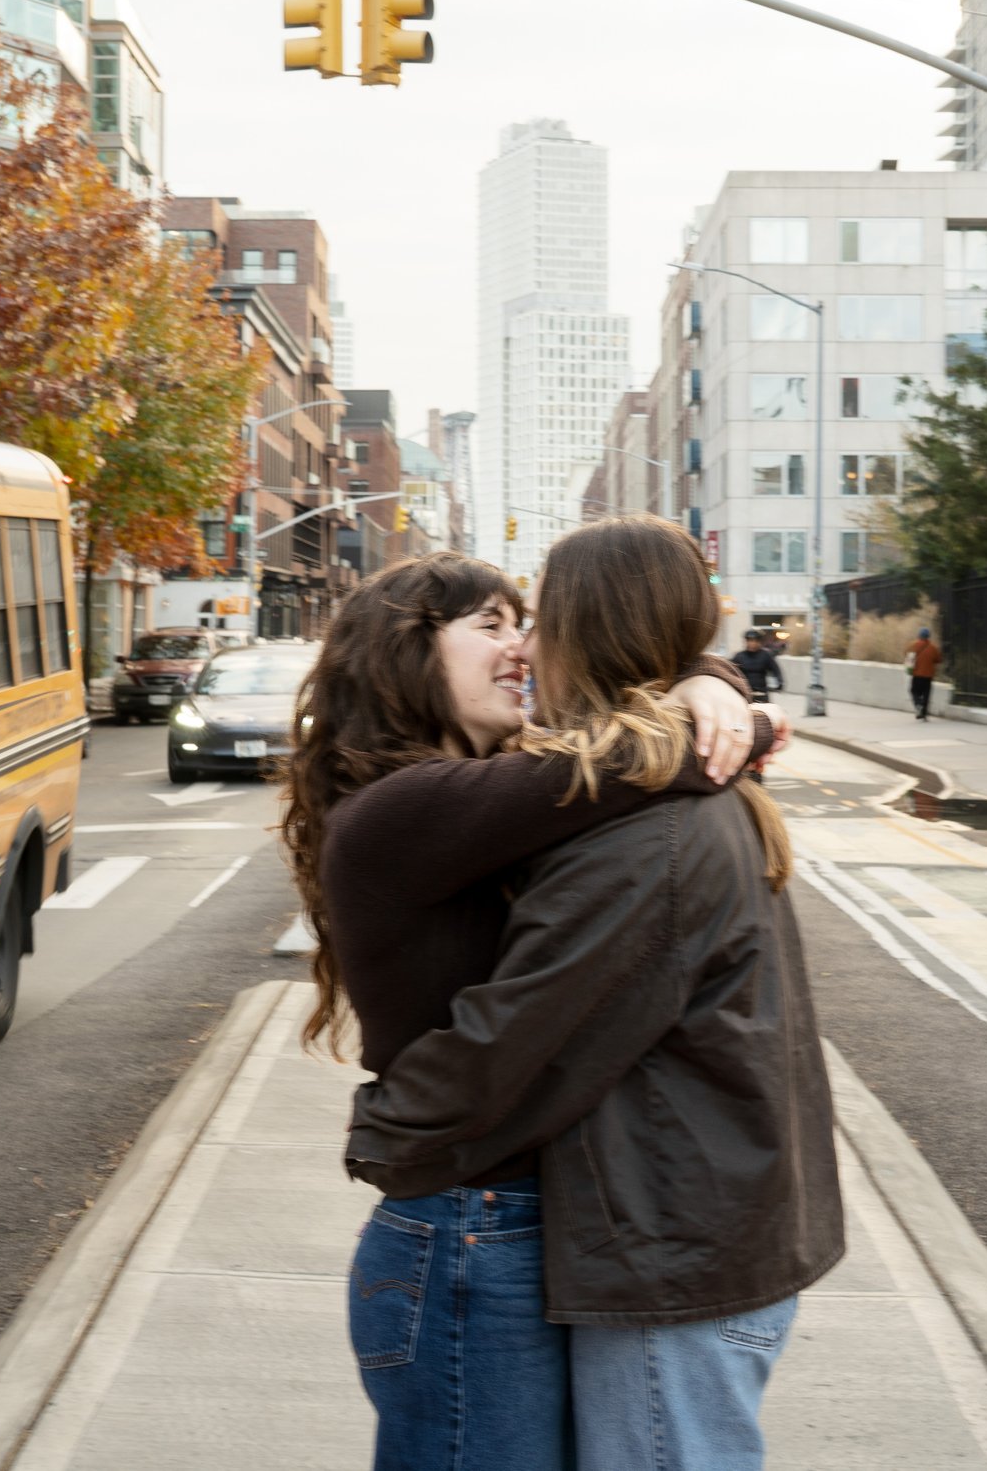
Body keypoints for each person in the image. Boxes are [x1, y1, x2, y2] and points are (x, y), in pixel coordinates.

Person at [346, 516, 845, 1471]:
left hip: (672, 1254)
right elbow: (614, 763)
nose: (524, 645)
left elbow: (523, 1034)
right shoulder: (639, 792)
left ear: (588, 630)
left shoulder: (647, 829)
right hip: (671, 1240)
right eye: (494, 625)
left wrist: (389, 1132)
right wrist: (722, 695)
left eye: (534, 619)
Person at [730, 627, 783, 703]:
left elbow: (776, 669)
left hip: (762, 693)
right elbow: (730, 671)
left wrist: (780, 681)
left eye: (755, 641)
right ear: (746, 641)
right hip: (745, 694)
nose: (752, 643)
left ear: (759, 642)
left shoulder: (766, 655)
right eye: (750, 641)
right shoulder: (739, 656)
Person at [906, 625, 941, 721]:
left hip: (917, 675)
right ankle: (924, 714)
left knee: (914, 691)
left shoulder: (913, 646)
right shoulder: (933, 648)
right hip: (928, 675)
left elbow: (908, 656)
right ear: (928, 636)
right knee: (926, 694)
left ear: (919, 635)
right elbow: (938, 659)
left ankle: (918, 704)